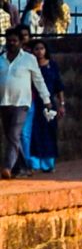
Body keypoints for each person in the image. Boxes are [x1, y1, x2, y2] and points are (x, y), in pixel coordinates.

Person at [0, 28, 56, 180]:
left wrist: (47, 100)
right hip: (4, 103)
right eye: (9, 40)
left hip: (22, 103)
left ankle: (7, 167)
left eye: (15, 40)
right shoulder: (1, 58)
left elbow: (38, 80)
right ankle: (23, 167)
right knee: (12, 137)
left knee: (14, 134)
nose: (12, 43)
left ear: (20, 42)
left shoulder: (29, 59)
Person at [25, 40, 61, 172]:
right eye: (36, 49)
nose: (39, 52)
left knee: (49, 133)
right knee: (34, 132)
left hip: (48, 102)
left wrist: (61, 104)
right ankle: (35, 162)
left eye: (42, 48)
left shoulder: (52, 66)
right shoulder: (30, 65)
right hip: (34, 102)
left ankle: (48, 163)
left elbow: (59, 85)